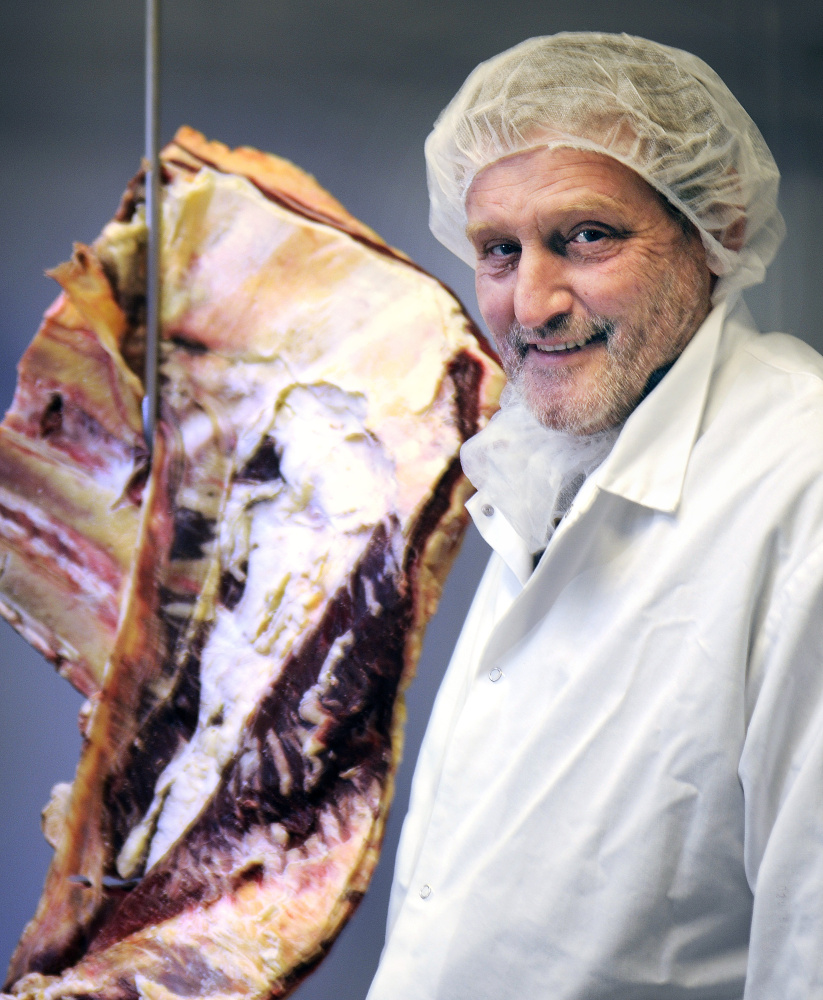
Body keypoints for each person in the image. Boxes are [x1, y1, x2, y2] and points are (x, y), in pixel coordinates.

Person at [366, 32, 823, 999]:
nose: (531, 302)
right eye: (498, 250)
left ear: (719, 231)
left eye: (585, 237)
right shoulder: (544, 457)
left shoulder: (801, 482)